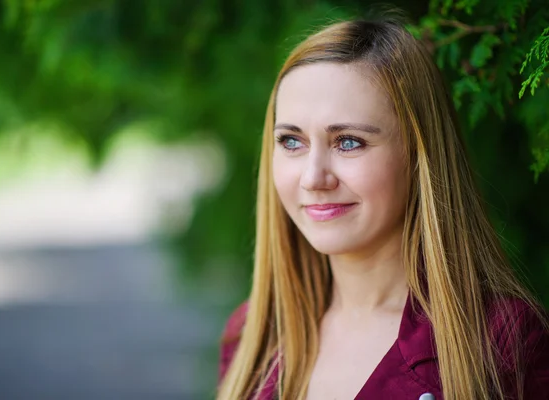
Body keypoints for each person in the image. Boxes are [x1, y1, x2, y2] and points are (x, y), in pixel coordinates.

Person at [216, 18, 549, 400]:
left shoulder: (502, 344)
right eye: (291, 141)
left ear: (418, 154)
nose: (312, 178)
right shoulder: (253, 335)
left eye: (348, 142)